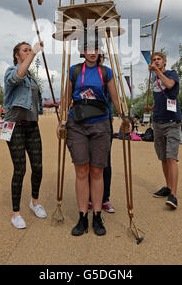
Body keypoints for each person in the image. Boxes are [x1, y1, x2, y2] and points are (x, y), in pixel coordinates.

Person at [57, 35, 124, 236]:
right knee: (81, 172)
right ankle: (82, 217)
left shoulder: (106, 72)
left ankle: (97, 215)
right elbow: (66, 98)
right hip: (76, 125)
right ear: (83, 50)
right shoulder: (74, 71)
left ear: (99, 50)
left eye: (95, 48)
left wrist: (126, 117)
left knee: (97, 172)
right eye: (88, 48)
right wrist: (61, 121)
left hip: (101, 125)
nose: (92, 52)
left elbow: (115, 99)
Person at [3, 41, 47, 229]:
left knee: (38, 167)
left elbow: (34, 100)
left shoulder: (32, 77)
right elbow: (17, 77)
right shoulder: (11, 71)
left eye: (30, 49)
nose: (29, 52)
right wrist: (34, 53)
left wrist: (46, 106)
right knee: (20, 169)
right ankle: (16, 213)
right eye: (25, 50)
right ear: (17, 55)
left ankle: (34, 202)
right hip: (14, 126)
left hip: (32, 125)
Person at [145, 51, 182, 210]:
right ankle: (167, 186)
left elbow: (170, 86)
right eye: (154, 60)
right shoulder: (154, 79)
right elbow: (162, 98)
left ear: (165, 62)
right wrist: (152, 108)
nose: (156, 61)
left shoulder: (171, 74)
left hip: (172, 122)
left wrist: (157, 71)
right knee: (163, 158)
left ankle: (173, 194)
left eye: (159, 59)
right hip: (158, 122)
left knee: (171, 157)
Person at [88, 52, 115, 214]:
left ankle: (105, 198)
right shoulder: (87, 75)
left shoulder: (107, 74)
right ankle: (91, 197)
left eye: (102, 57)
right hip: (87, 121)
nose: (100, 59)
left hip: (105, 121)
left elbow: (113, 98)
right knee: (89, 162)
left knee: (105, 162)